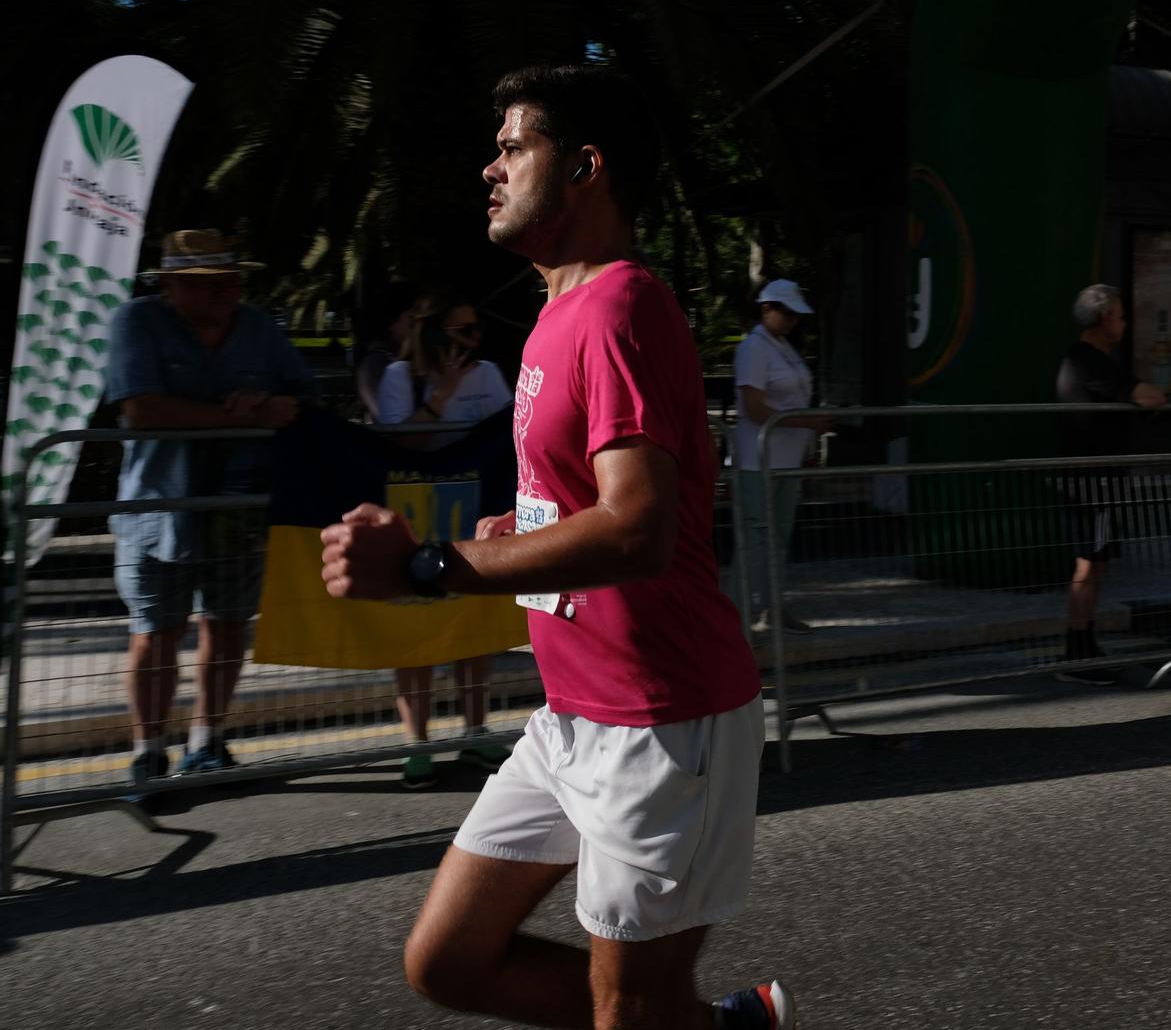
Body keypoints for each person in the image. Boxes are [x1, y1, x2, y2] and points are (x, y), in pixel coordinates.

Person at [319, 65, 789, 1029]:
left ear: (582, 167)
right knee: (448, 961)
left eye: (512, 146)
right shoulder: (552, 318)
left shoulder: (621, 307)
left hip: (662, 721)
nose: (489, 167)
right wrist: (516, 527)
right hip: (573, 714)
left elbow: (636, 528)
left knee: (629, 1009)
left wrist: (427, 567)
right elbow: (582, 508)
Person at [105, 229, 316, 790]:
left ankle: (206, 741)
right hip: (158, 510)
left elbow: (303, 399)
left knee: (226, 628)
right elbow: (141, 410)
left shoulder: (259, 328)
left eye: (231, 279)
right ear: (171, 284)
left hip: (239, 512)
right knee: (156, 631)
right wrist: (246, 416)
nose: (225, 290)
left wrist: (274, 405)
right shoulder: (136, 323)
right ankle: (148, 753)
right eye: (207, 283)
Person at [375, 291, 516, 789]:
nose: (474, 340)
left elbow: (508, 436)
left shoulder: (489, 374)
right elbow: (398, 442)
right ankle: (418, 743)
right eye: (462, 331)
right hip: (417, 520)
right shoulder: (400, 378)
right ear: (433, 332)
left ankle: (476, 731)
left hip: (470, 514)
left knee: (470, 626)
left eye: (476, 330)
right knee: (415, 635)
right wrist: (442, 395)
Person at [1053, 284, 1167, 685]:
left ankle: (1084, 645)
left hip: (1091, 479)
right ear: (1103, 320)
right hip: (1093, 483)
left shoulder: (1086, 360)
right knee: (1090, 564)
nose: (1124, 322)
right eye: (1119, 315)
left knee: (1095, 563)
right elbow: (1149, 397)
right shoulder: (1092, 363)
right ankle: (1078, 652)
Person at [732, 279, 832, 635]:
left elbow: (790, 402)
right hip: (758, 462)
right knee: (756, 538)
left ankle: (771, 608)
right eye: (785, 312)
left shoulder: (783, 348)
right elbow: (753, 407)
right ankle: (736, 617)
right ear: (767, 309)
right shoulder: (754, 349)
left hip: (787, 461)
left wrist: (807, 444)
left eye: (795, 315)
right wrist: (808, 424)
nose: (791, 320)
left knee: (777, 538)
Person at [353, 281, 418, 422]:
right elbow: (387, 418)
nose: (418, 326)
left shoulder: (414, 358)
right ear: (391, 322)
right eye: (412, 318)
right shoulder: (376, 362)